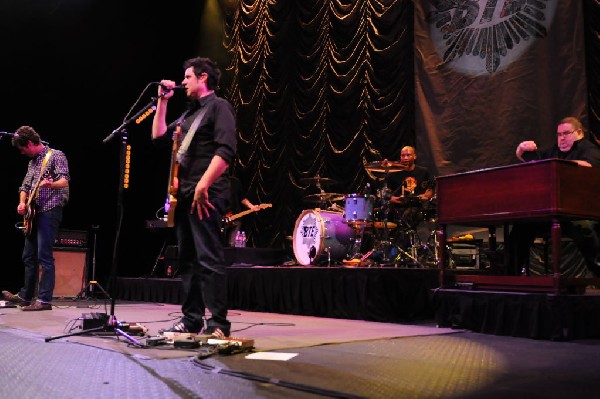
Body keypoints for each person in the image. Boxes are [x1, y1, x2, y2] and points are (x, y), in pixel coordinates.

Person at [152, 57, 237, 338]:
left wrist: (203, 184)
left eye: (187, 77)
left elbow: (225, 151)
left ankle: (218, 324)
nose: (183, 82)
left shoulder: (219, 107)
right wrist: (162, 102)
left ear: (202, 78)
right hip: (186, 195)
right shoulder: (189, 115)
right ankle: (191, 320)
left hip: (207, 194)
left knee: (208, 259)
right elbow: (159, 135)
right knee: (188, 260)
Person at [511, 116, 600, 275]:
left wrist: (558, 166)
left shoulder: (588, 149)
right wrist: (521, 148)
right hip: (553, 212)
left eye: (566, 133)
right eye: (559, 135)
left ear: (579, 132)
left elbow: (590, 165)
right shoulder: (553, 152)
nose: (562, 138)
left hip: (577, 212)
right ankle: (510, 274)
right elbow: (528, 159)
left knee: (584, 227)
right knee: (522, 225)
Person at [2, 125, 70, 311]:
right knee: (28, 256)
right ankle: (25, 296)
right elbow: (24, 187)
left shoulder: (56, 155)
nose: (22, 152)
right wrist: (22, 203)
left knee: (44, 256)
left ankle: (44, 300)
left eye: (23, 148)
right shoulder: (32, 162)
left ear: (31, 142)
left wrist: (51, 184)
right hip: (33, 212)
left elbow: (64, 180)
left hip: (50, 210)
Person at [387, 146, 435, 230]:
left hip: (417, 206)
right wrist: (392, 198)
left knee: (412, 213)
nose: (405, 158)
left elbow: (430, 191)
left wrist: (426, 196)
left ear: (414, 156)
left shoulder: (423, 172)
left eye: (408, 155)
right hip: (398, 207)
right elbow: (387, 194)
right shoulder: (393, 173)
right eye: (403, 155)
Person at [223, 174, 259, 247]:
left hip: (235, 217)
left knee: (233, 244)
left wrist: (252, 206)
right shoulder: (214, 182)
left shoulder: (235, 181)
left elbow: (242, 199)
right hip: (220, 217)